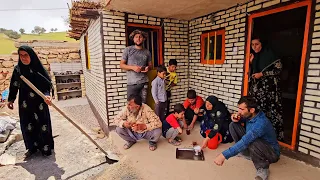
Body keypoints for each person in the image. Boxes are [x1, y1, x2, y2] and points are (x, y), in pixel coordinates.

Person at [213, 96, 280, 180]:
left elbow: (245, 141)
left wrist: (223, 155)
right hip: (257, 145)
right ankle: (245, 152)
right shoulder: (250, 115)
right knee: (233, 125)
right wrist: (235, 119)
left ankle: (263, 168)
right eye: (239, 108)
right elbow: (241, 120)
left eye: (241, 109)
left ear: (251, 110)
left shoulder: (261, 123)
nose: (239, 111)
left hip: (271, 153)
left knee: (251, 140)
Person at [7, 46, 54, 157]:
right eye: (21, 55)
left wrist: (47, 96)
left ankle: (46, 148)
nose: (23, 58)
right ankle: (32, 147)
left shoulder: (38, 69)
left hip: (40, 102)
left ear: (31, 55)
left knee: (43, 124)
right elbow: (14, 85)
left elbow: (46, 85)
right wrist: (11, 99)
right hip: (25, 103)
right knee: (27, 124)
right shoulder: (18, 70)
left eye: (26, 55)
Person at [249, 36, 284, 141]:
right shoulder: (255, 57)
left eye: (257, 44)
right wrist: (251, 62)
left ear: (262, 44)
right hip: (259, 90)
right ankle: (259, 133)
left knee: (271, 111)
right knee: (259, 110)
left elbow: (278, 70)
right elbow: (252, 72)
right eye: (252, 44)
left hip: (270, 89)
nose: (254, 47)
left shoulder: (271, 55)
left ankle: (272, 136)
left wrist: (262, 74)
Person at [120, 29, 152, 103]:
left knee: (143, 104)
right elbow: (121, 65)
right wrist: (133, 67)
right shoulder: (128, 50)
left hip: (144, 82)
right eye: (136, 37)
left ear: (143, 39)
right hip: (132, 83)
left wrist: (148, 68)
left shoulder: (147, 52)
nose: (138, 39)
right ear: (133, 39)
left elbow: (150, 65)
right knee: (131, 105)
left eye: (140, 37)